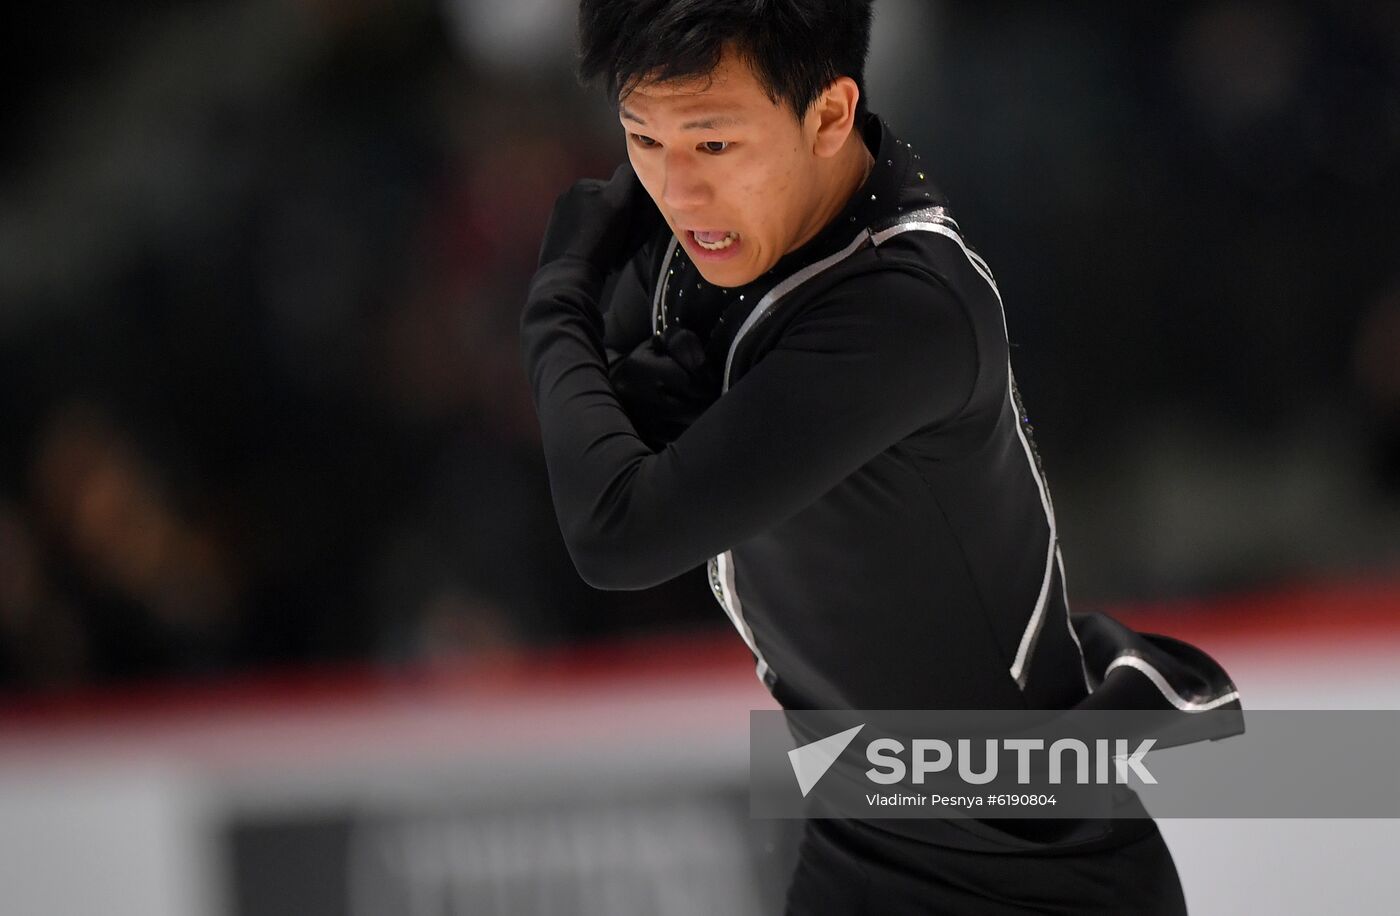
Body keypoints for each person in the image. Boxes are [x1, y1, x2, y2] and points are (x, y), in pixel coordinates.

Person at [519, 1, 1241, 912]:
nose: (678, 191)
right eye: (641, 140)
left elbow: (618, 528)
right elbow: (590, 435)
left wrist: (554, 301)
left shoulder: (906, 309)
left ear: (828, 115)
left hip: (1039, 877)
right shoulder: (726, 246)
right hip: (861, 841)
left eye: (712, 145)